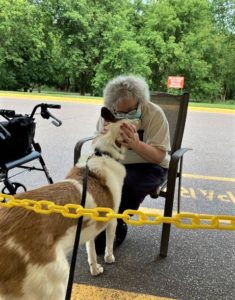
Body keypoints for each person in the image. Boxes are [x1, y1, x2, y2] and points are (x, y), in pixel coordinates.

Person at [95, 75, 171, 254]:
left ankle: (118, 222)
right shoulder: (108, 112)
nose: (124, 116)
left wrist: (136, 145)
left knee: (129, 184)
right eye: (119, 112)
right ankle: (95, 220)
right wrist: (105, 138)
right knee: (87, 178)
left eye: (130, 111)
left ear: (140, 102)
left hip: (148, 165)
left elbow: (159, 155)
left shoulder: (154, 113)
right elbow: (94, 144)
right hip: (115, 161)